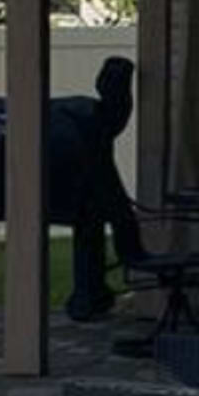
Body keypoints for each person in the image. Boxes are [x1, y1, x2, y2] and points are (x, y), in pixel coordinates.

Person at [55, 54, 147, 322]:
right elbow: (115, 199)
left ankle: (89, 296)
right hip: (87, 193)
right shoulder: (90, 122)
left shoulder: (86, 119)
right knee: (89, 224)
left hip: (85, 193)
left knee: (89, 226)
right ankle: (88, 297)